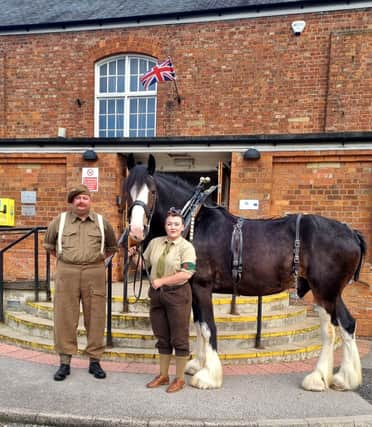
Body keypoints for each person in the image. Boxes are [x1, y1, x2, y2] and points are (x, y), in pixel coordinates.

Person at [43, 184, 118, 381]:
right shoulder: (59, 221)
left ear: (90, 200)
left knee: (96, 316)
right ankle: (65, 362)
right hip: (66, 271)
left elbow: (111, 246)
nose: (81, 201)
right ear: (71, 202)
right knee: (65, 316)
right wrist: (67, 260)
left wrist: (95, 261)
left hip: (95, 271)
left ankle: (95, 361)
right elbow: (49, 245)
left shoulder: (102, 222)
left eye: (84, 197)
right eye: (77, 198)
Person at [129, 207, 196, 393]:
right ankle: (163, 375)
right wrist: (134, 256)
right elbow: (143, 265)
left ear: (182, 227)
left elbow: (186, 274)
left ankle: (180, 378)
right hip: (157, 296)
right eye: (169, 224)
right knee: (162, 337)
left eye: (176, 224)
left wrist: (161, 281)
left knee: (179, 338)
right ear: (165, 226)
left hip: (178, 295)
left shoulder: (186, 247)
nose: (172, 227)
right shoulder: (155, 243)